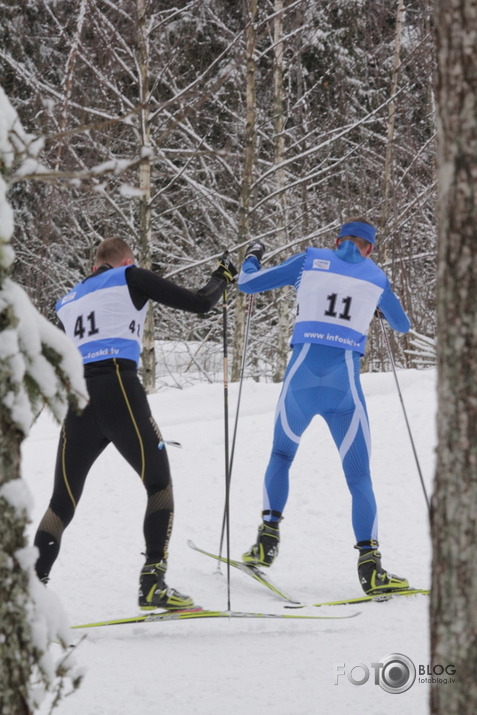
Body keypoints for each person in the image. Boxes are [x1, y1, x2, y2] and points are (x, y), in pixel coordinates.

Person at [34, 237, 236, 610]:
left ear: (96, 263)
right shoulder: (130, 276)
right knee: (159, 484)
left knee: (61, 502)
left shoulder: (67, 300)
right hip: (119, 390)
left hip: (78, 398)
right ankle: (152, 584)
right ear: (125, 259)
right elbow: (200, 303)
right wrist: (222, 276)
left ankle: (28, 593)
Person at [238, 217, 411, 595]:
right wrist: (377, 307)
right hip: (343, 389)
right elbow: (402, 325)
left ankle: (266, 542)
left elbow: (247, 284)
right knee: (359, 477)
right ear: (369, 248)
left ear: (338, 241)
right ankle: (371, 568)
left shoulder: (310, 260)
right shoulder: (377, 278)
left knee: (281, 456)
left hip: (300, 381)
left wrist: (251, 257)